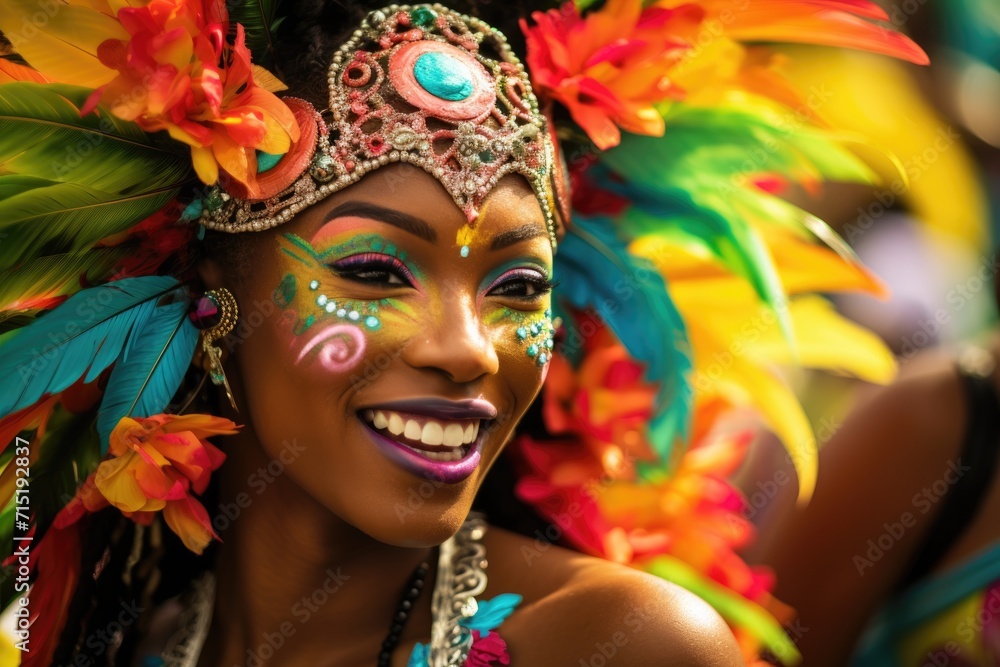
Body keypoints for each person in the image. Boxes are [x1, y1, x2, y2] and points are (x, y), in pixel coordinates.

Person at [0, 0, 926, 665]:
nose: (470, 347)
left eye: (518, 285)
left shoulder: (622, 645)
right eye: (375, 272)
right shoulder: (116, 639)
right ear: (209, 291)